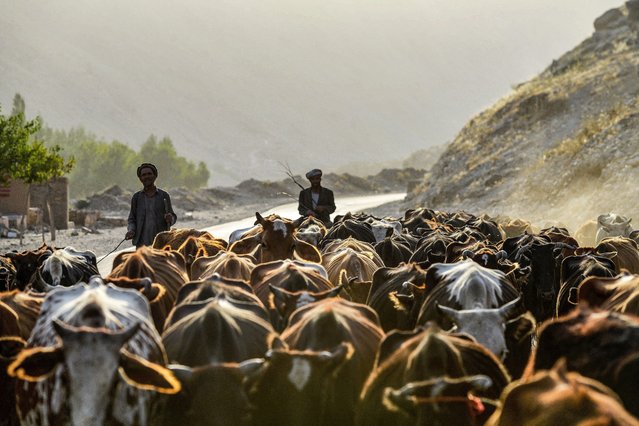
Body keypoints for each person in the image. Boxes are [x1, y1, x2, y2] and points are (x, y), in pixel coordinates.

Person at [125, 163, 177, 248]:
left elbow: (173, 216)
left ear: (155, 176)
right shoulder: (136, 198)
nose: (146, 177)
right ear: (140, 178)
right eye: (144, 175)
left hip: (161, 244)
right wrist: (131, 230)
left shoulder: (164, 196)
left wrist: (171, 218)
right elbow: (132, 219)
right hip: (141, 246)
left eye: (149, 174)